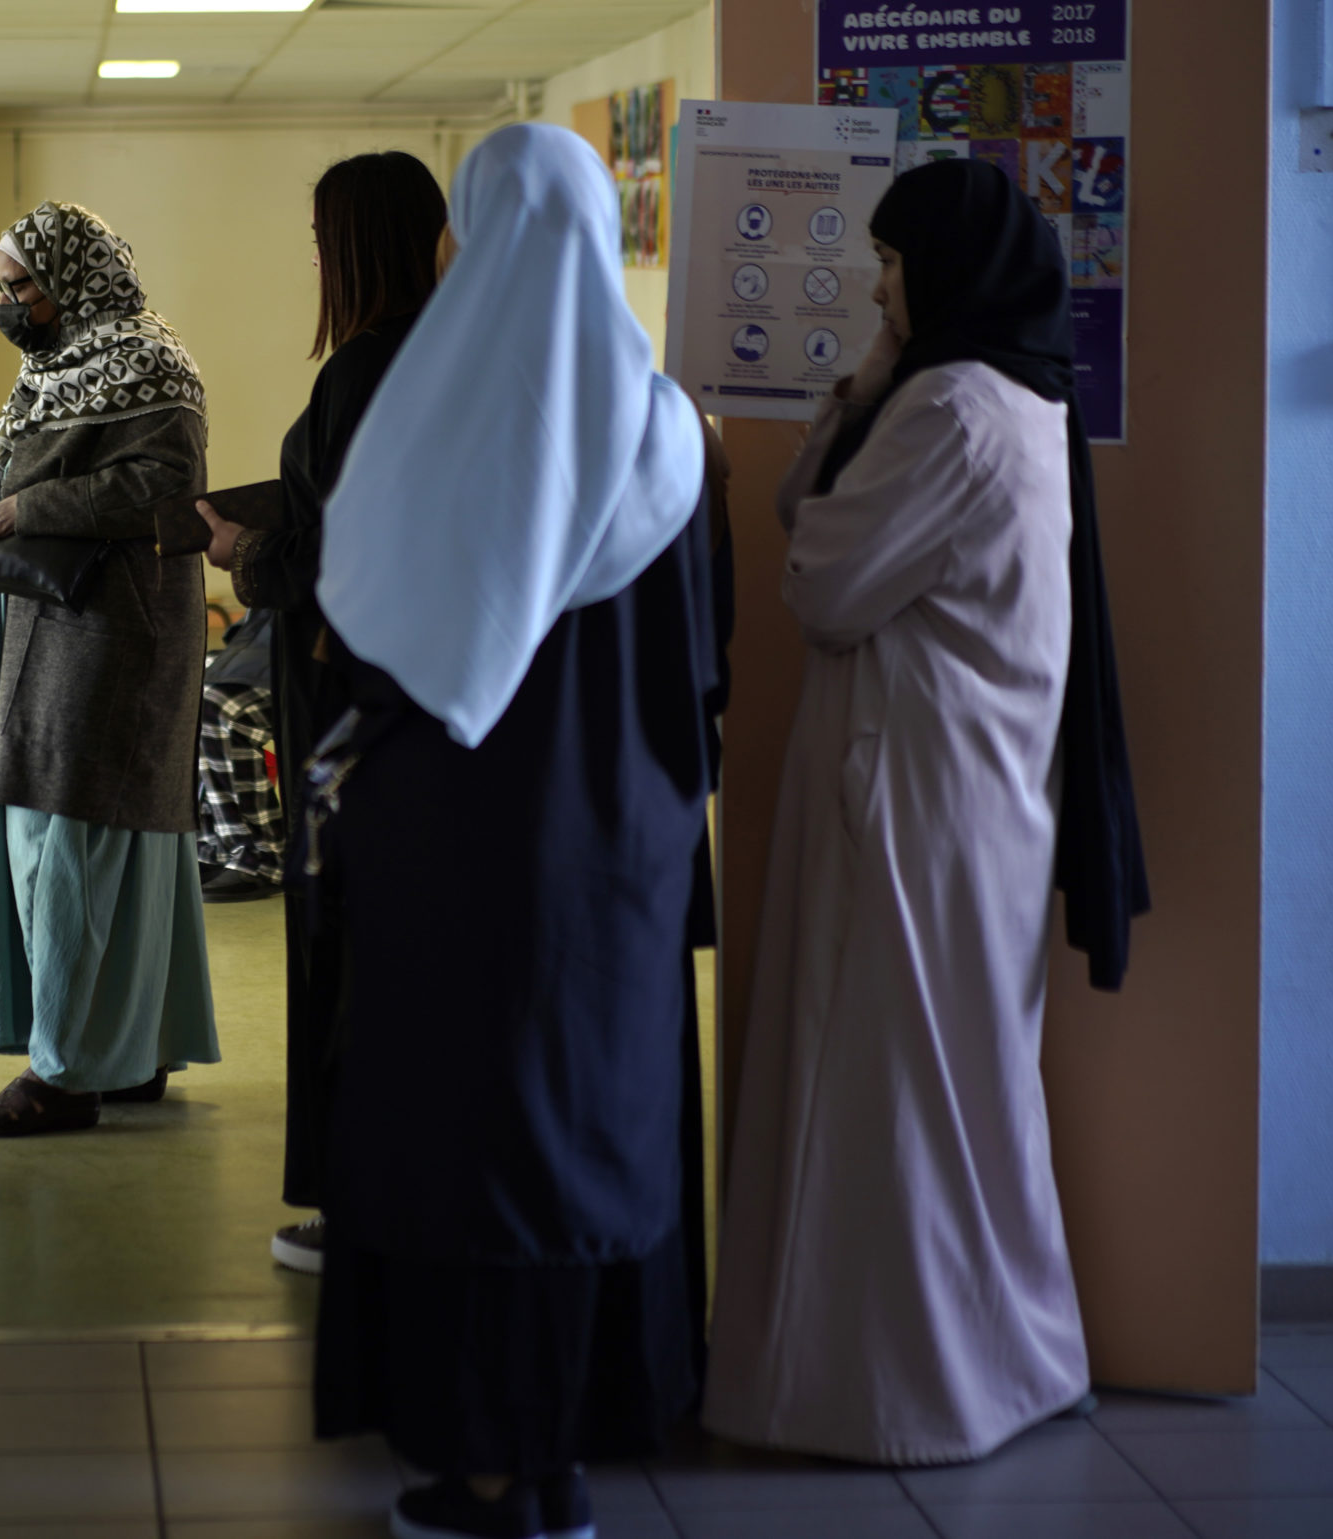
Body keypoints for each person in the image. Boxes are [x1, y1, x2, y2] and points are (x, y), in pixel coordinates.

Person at [305, 124, 718, 1539]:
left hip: (454, 854)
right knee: (591, 1137)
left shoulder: (432, 431)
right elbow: (697, 670)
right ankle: (567, 1457)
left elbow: (369, 633)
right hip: (619, 855)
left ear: (467, 240)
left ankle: (481, 1468)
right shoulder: (666, 431)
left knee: (462, 1146)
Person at [704, 157, 1148, 1465]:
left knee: (896, 1091)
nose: (876, 286)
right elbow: (813, 518)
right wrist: (864, 391)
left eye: (894, 267)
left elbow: (820, 579)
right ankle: (1006, 1355)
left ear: (946, 275)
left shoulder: (951, 405)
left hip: (915, 798)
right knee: (962, 1092)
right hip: (969, 795)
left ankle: (899, 1383)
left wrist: (874, 395)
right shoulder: (1004, 396)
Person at [197, 149, 447, 1277]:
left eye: (317, 241)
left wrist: (242, 549)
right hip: (411, 704)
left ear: (352, 247)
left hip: (341, 702)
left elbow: (338, 553)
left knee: (342, 944)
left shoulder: (359, 373)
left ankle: (360, 1205)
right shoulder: (449, 360)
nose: (311, 261)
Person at [0, 201, 222, 1136]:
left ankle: (67, 1073)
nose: (12, 302)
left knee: (73, 837)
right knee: (96, 833)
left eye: (23, 284)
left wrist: (33, 509)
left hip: (113, 630)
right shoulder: (50, 368)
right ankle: (133, 1046)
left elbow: (167, 486)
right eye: (4, 285)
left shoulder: (148, 360)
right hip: (53, 625)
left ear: (76, 275)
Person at [194, 607, 284, 901]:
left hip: (316, 638)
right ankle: (214, 844)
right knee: (183, 690)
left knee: (217, 707)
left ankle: (261, 854)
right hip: (264, 632)